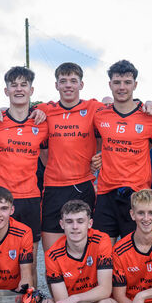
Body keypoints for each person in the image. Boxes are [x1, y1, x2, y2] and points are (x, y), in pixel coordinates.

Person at [34, 63, 102, 252]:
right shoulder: (45, 110)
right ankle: (55, 283)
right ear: (56, 85)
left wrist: (102, 154)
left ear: (81, 84)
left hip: (83, 186)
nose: (68, 85)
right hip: (53, 188)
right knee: (52, 253)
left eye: (73, 81)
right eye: (63, 81)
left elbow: (118, 114)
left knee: (83, 250)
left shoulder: (93, 107)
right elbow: (19, 111)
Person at [92, 60, 152, 238]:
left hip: (137, 194)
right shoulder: (100, 116)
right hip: (106, 193)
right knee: (103, 254)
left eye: (127, 82)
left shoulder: (150, 116)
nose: (121, 87)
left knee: (133, 254)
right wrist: (94, 158)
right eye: (117, 82)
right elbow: (93, 144)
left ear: (135, 85)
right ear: (110, 84)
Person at [0, 66, 48, 240]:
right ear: (6, 90)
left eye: (23, 84)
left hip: (30, 197)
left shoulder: (41, 123)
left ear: (31, 90)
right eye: (14, 85)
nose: (19, 89)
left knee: (30, 257)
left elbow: (48, 160)